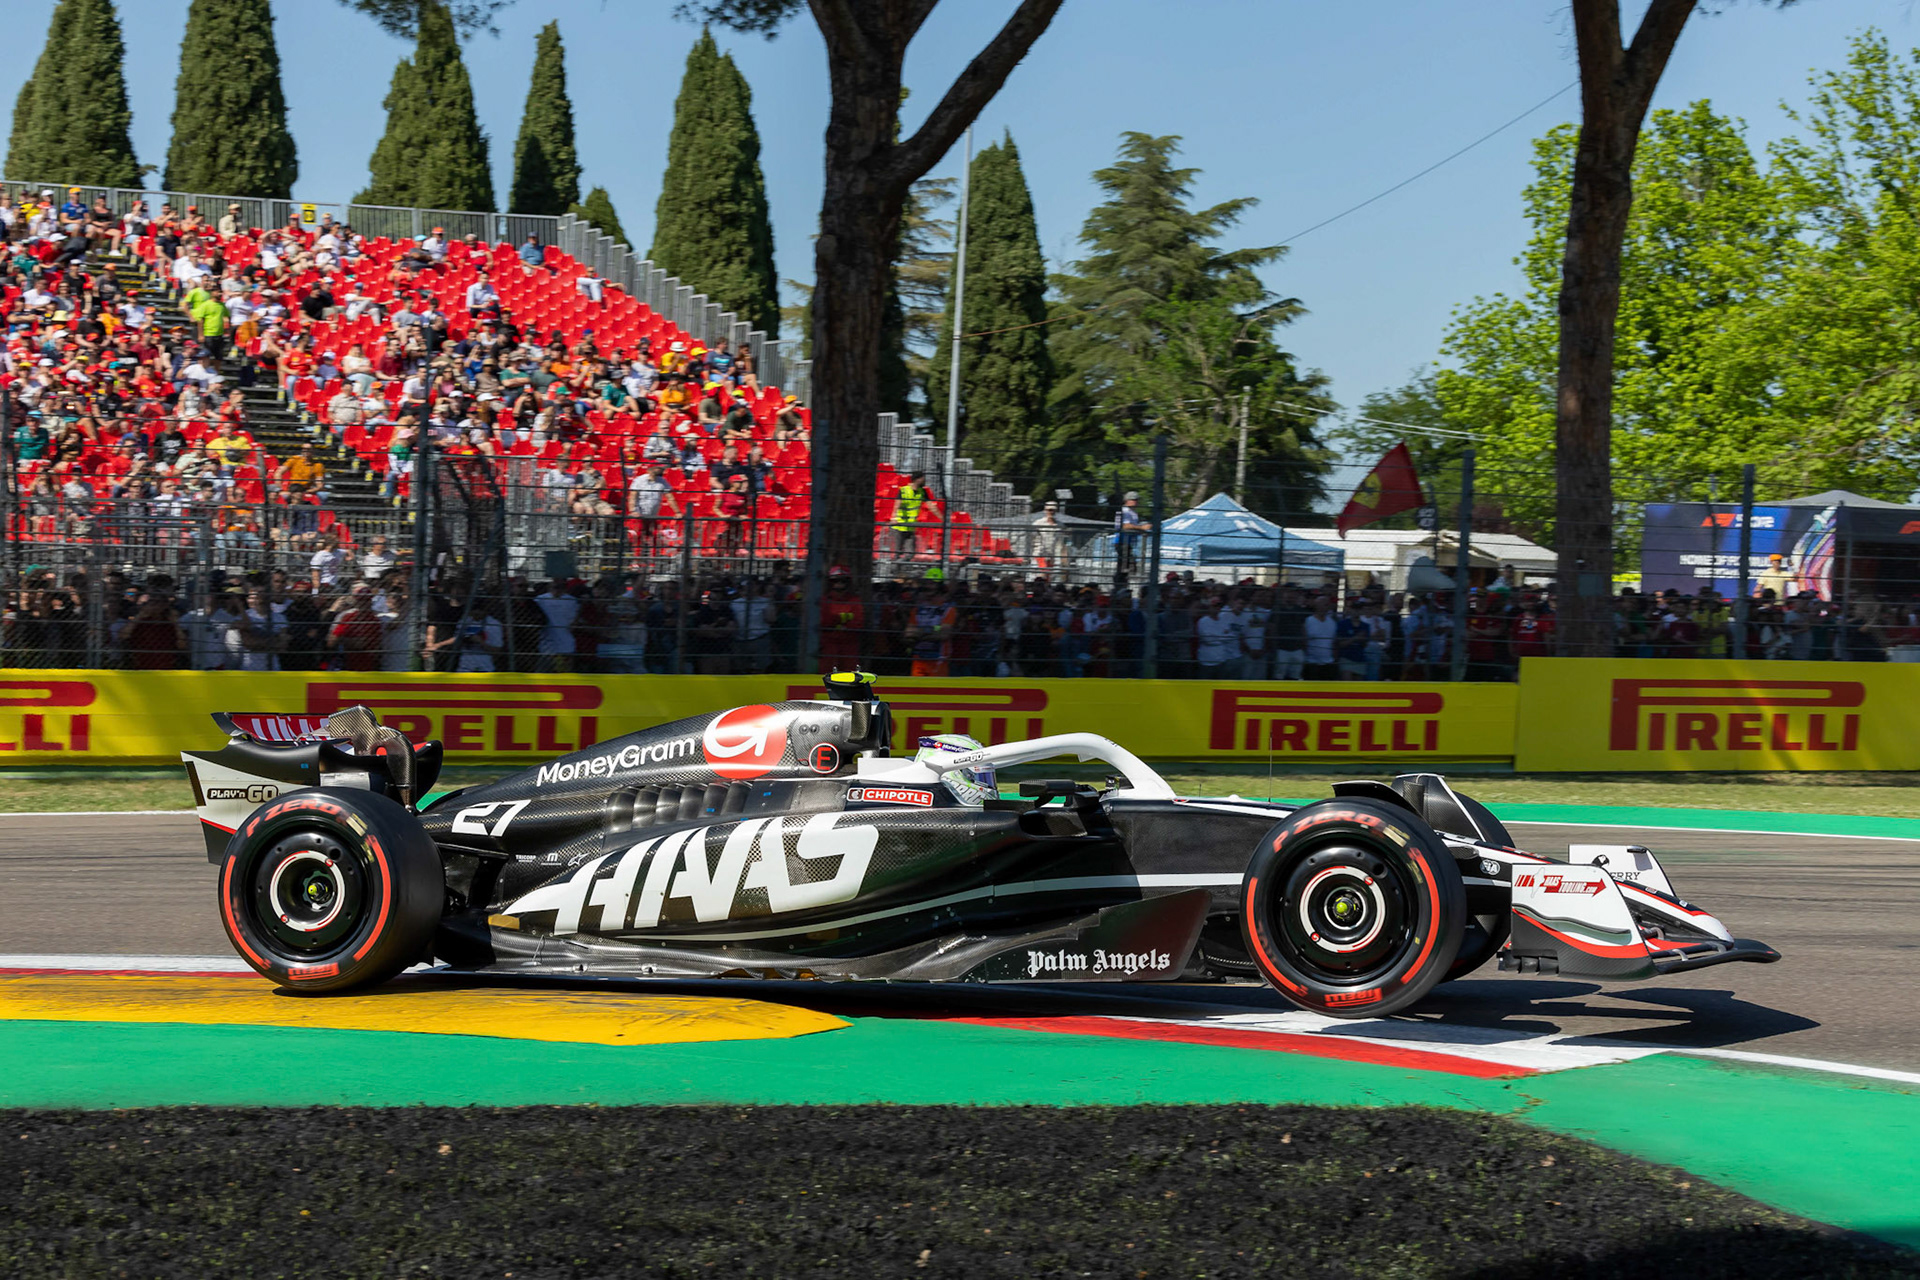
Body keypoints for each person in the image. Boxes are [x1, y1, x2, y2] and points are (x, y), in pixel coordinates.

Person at [818, 565, 865, 673]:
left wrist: (835, 622)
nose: (839, 584)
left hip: (849, 645)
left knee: (849, 674)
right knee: (827, 674)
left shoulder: (854, 601)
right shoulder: (825, 600)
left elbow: (858, 623)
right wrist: (845, 618)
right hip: (828, 645)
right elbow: (824, 621)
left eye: (843, 581)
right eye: (836, 581)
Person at [892, 471, 929, 560]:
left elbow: (931, 505)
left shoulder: (922, 492)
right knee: (896, 552)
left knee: (910, 553)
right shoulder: (904, 490)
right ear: (917, 479)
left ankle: (899, 566)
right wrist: (894, 517)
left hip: (910, 527)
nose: (924, 480)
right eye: (922, 478)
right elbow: (897, 505)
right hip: (899, 526)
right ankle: (894, 570)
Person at [1113, 491, 1151, 577]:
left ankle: (1124, 581)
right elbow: (1125, 526)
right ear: (1127, 500)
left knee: (1128, 564)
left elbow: (1133, 527)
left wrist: (1142, 531)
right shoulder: (1124, 511)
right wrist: (1142, 528)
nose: (1136, 502)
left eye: (1137, 500)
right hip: (1122, 541)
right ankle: (1121, 582)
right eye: (1133, 500)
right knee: (1126, 565)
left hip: (1129, 542)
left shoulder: (1133, 513)